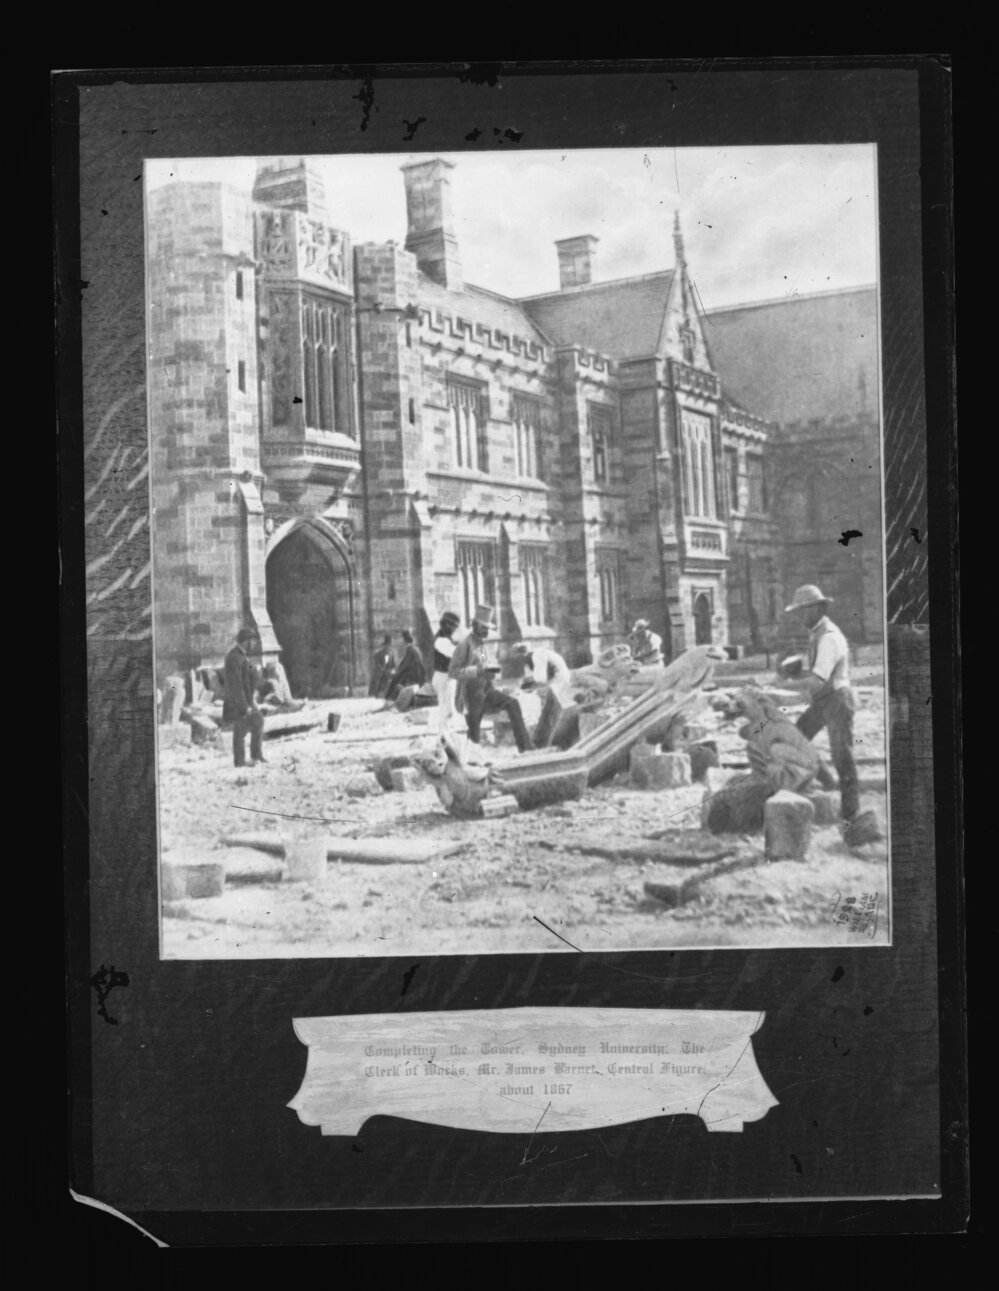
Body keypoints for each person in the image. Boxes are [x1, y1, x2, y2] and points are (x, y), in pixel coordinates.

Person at [780, 584, 879, 844]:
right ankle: (825, 781)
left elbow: (817, 680)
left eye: (803, 611)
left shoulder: (829, 637)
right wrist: (793, 672)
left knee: (842, 756)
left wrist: (785, 685)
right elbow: (813, 677)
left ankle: (851, 814)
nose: (800, 617)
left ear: (816, 608)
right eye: (798, 612)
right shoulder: (816, 634)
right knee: (796, 738)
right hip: (825, 701)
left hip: (837, 700)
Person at [448, 605, 534, 753]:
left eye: (487, 627)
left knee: (513, 703)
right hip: (470, 694)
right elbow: (453, 671)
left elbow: (485, 666)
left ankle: (525, 748)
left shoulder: (481, 646)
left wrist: (491, 672)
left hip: (486, 690)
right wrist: (476, 671)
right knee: (474, 734)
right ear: (474, 625)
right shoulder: (464, 645)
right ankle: (470, 757)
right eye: (483, 627)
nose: (486, 630)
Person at [223, 627, 266, 767]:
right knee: (240, 730)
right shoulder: (234, 657)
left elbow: (247, 676)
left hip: (246, 700)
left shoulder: (242, 656)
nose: (253, 644)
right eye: (252, 641)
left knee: (258, 721)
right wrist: (244, 706)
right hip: (237, 702)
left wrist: (255, 671)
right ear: (245, 641)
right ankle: (240, 761)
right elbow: (237, 685)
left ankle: (256, 755)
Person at [510, 641, 574, 707]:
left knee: (541, 694)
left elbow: (540, 679)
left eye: (519, 658)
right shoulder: (535, 654)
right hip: (556, 677)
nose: (522, 663)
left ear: (522, 655)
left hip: (559, 677)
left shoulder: (537, 656)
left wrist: (528, 687)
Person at [431, 611, 461, 731]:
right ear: (446, 625)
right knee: (445, 711)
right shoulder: (440, 640)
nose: (454, 629)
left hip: (447, 678)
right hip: (442, 678)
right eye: (453, 626)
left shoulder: (447, 638)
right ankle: (442, 739)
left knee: (449, 711)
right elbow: (455, 654)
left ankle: (445, 738)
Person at [386, 628, 426, 702]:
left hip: (413, 682)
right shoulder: (411, 650)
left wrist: (394, 674)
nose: (394, 641)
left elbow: (403, 669)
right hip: (413, 680)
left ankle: (389, 700)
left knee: (395, 680)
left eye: (397, 638)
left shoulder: (412, 651)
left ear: (404, 639)